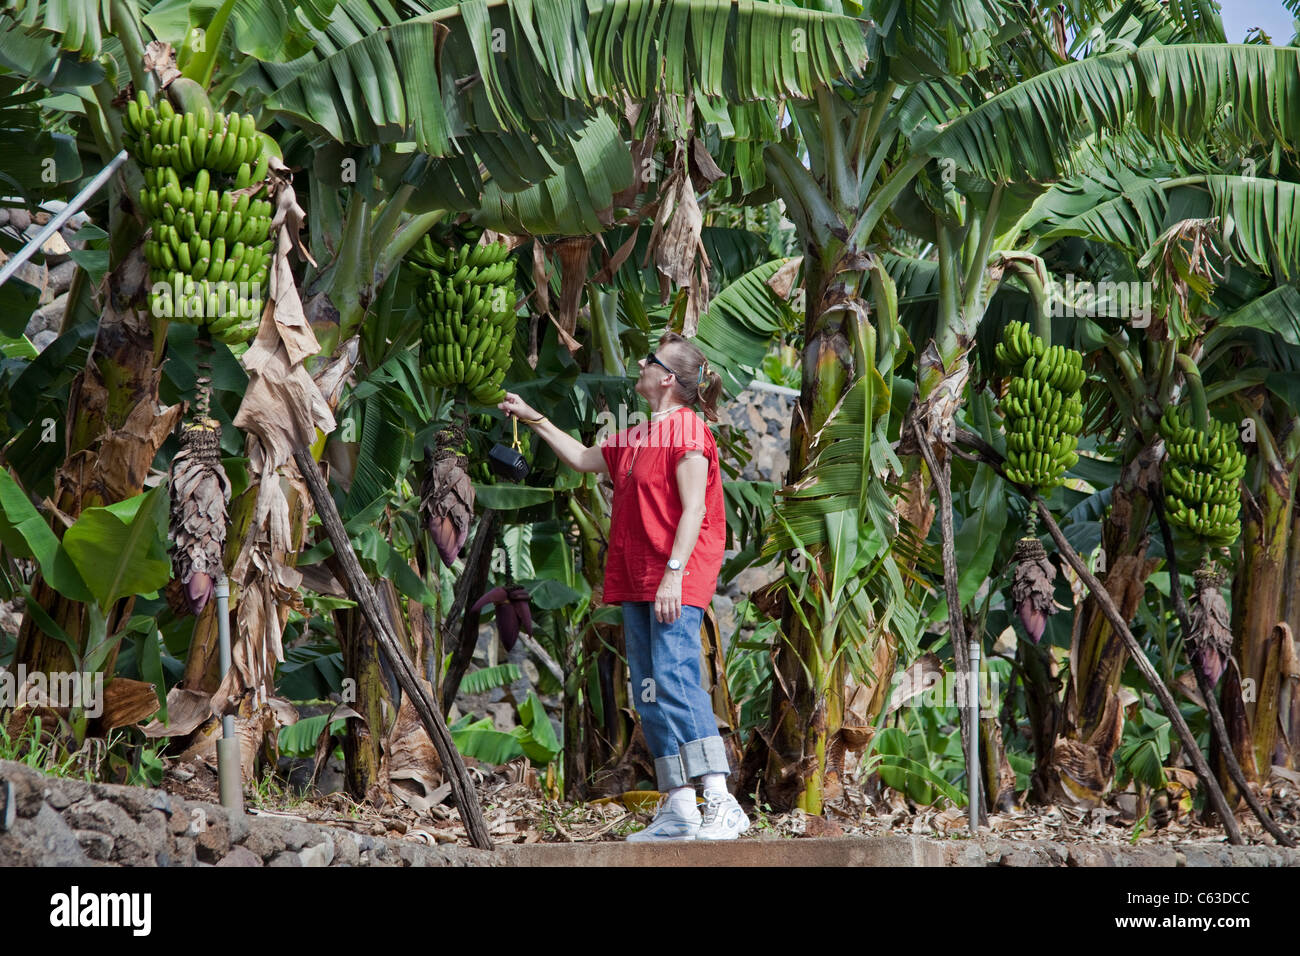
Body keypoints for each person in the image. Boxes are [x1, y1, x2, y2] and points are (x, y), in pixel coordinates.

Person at [498, 331, 750, 841]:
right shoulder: (637, 435)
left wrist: (674, 575)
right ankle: (679, 804)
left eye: (649, 359)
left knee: (676, 678)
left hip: (674, 574)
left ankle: (721, 799)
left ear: (667, 378)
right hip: (637, 576)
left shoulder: (689, 433)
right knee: (649, 689)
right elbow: (584, 458)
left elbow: (696, 508)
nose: (639, 361)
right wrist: (534, 418)